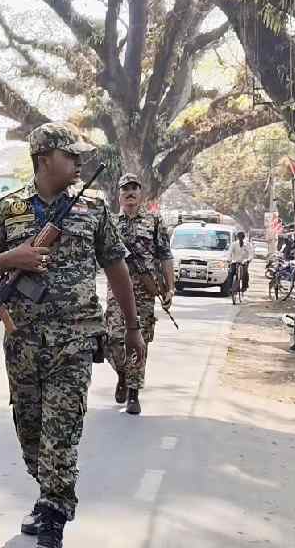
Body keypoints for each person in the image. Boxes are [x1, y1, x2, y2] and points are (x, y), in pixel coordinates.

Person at [0, 122, 145, 548]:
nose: (79, 162)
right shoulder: (7, 207)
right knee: (30, 431)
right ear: (44, 158)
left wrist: (133, 327)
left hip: (75, 339)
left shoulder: (93, 209)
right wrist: (12, 258)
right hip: (23, 341)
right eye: (71, 155)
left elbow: (117, 267)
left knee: (62, 431)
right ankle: (46, 493)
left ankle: (54, 512)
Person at [103, 174, 174, 416]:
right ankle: (122, 374)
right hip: (116, 291)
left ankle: (133, 393)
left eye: (134, 188)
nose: (130, 193)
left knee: (139, 341)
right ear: (119, 195)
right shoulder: (110, 223)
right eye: (125, 189)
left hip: (144, 292)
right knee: (113, 339)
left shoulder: (154, 222)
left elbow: (165, 255)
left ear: (141, 193)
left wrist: (170, 287)